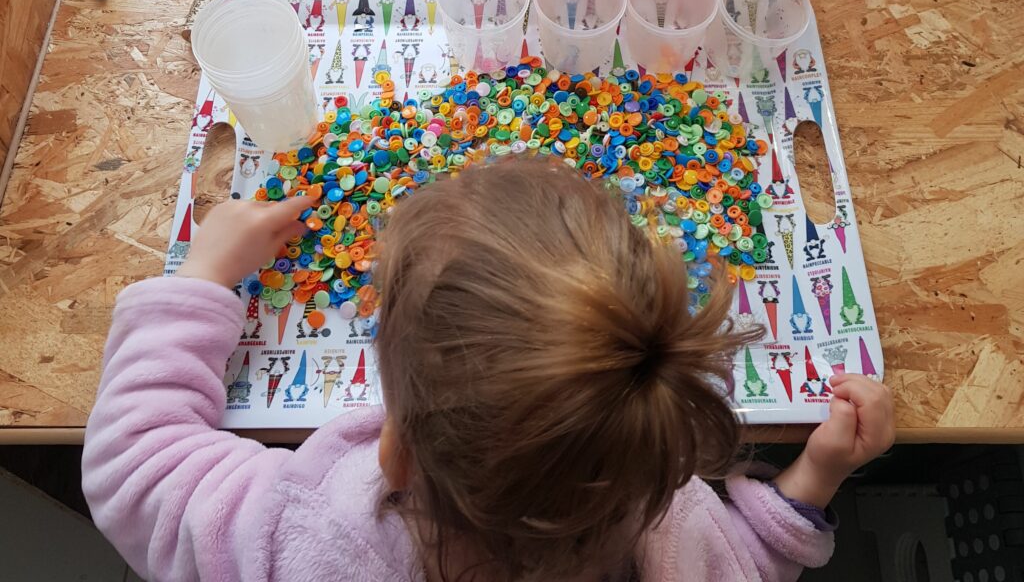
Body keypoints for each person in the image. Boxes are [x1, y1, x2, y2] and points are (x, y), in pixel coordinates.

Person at [83, 156, 894, 582]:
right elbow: (742, 567)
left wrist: (200, 280)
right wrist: (811, 483)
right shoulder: (672, 533)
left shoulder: (300, 544)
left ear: (392, 451)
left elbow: (137, 464)